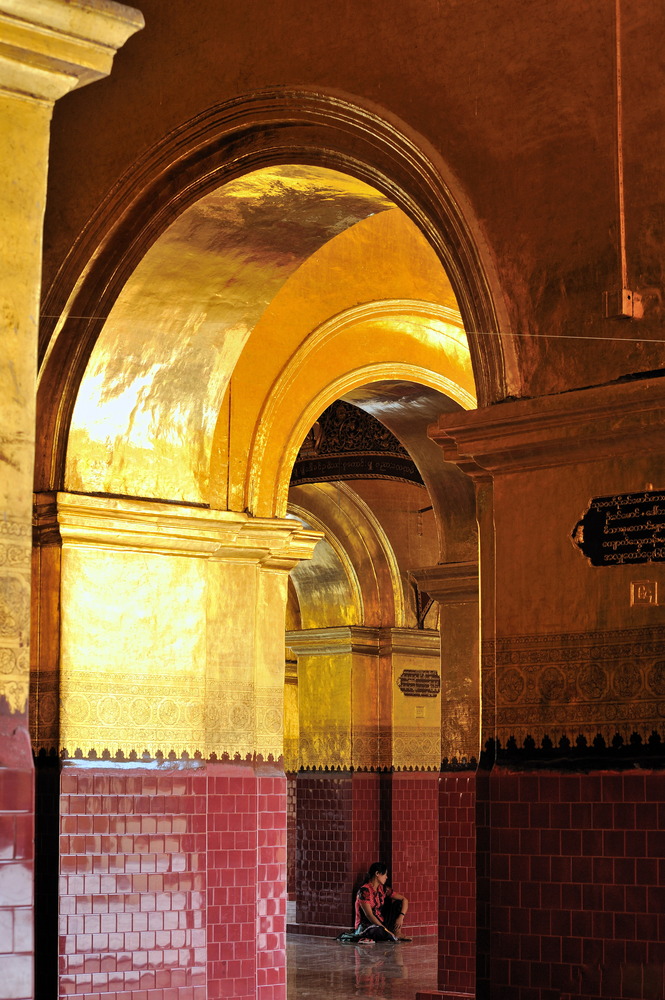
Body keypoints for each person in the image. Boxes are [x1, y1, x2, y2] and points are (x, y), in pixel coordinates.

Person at [346, 861, 410, 943]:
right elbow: (369, 915)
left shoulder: (383, 889)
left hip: (381, 922)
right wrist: (385, 930)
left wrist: (401, 917)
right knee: (378, 931)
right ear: (377, 874)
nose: (386, 877)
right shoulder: (364, 891)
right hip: (368, 925)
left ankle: (396, 933)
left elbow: (404, 900)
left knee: (399, 904)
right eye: (385, 874)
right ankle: (388, 934)